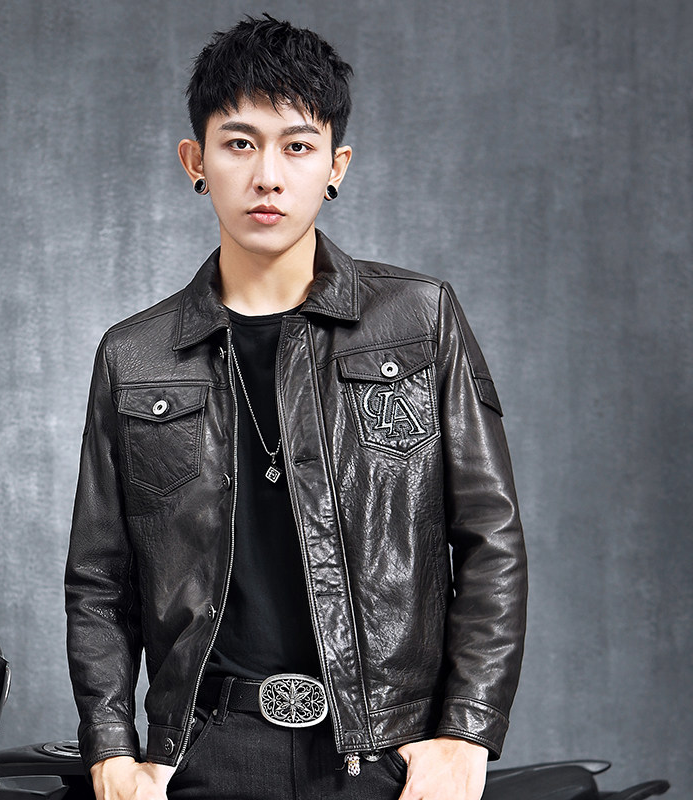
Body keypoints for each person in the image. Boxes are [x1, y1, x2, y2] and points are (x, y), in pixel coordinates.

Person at [65, 14, 527, 800]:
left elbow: (490, 539)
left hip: (383, 757)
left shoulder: (420, 319)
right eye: (239, 143)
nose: (268, 176)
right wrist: (113, 753)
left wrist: (465, 735)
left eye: (298, 146)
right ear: (196, 161)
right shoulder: (133, 357)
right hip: (207, 754)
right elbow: (99, 581)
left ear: (336, 165)